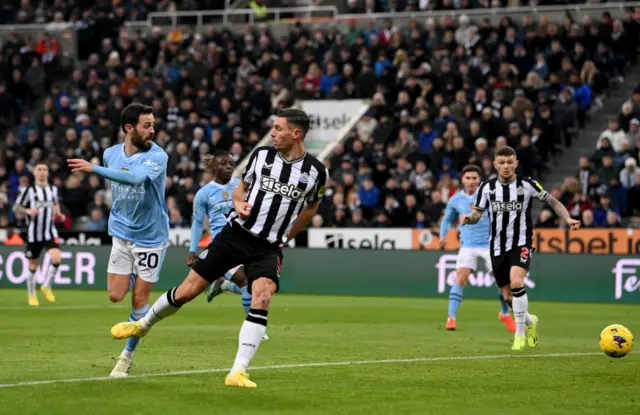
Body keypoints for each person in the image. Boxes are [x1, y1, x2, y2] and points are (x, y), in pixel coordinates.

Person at [110, 108, 329, 388]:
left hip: (268, 247)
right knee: (189, 290)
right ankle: (143, 325)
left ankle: (238, 370)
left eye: (277, 129)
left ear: (296, 133)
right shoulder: (262, 156)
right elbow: (241, 189)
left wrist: (286, 235)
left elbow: (311, 207)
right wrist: (238, 204)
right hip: (236, 234)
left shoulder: (316, 172)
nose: (272, 134)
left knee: (262, 295)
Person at [67, 103, 169, 377]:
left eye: (153, 124)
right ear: (129, 128)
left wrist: (94, 169)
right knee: (115, 295)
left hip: (150, 238)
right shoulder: (111, 153)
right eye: (146, 125)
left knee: (139, 301)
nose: (152, 130)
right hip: (122, 233)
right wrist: (99, 166)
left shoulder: (158, 156)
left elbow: (135, 179)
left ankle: (126, 357)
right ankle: (135, 278)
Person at [464, 146, 580, 350]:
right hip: (497, 247)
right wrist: (470, 219)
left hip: (521, 243)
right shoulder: (486, 188)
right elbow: (477, 213)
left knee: (517, 282)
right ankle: (529, 322)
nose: (506, 166)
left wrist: (567, 218)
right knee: (507, 296)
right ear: (495, 165)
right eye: (502, 162)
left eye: (510, 162)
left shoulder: (527, 185)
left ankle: (519, 336)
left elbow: (553, 201)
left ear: (516, 163)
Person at [185, 150, 268, 340]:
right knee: (247, 281)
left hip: (246, 241)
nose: (229, 166)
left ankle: (223, 285)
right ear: (214, 167)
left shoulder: (241, 188)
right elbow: (198, 222)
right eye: (224, 163)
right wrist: (192, 249)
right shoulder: (204, 193)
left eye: (231, 163)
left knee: (257, 284)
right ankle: (254, 328)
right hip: (223, 246)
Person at [439, 164, 516, 333]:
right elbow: (447, 220)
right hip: (467, 245)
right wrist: (443, 235)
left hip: (490, 245)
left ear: (479, 180)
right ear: (462, 180)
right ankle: (451, 318)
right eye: (468, 178)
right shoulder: (455, 200)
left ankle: (504, 313)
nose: (471, 181)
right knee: (461, 278)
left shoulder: (489, 195)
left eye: (474, 178)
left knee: (504, 283)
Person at [12, 162, 65, 306]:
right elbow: (16, 207)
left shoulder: (52, 189)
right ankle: (32, 294)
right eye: (39, 169)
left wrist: (59, 214)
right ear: (34, 173)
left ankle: (46, 286)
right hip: (34, 233)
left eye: (44, 169)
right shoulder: (28, 190)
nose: (42, 172)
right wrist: (28, 211)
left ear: (47, 173)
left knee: (56, 258)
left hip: (49, 231)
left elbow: (55, 204)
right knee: (33, 266)